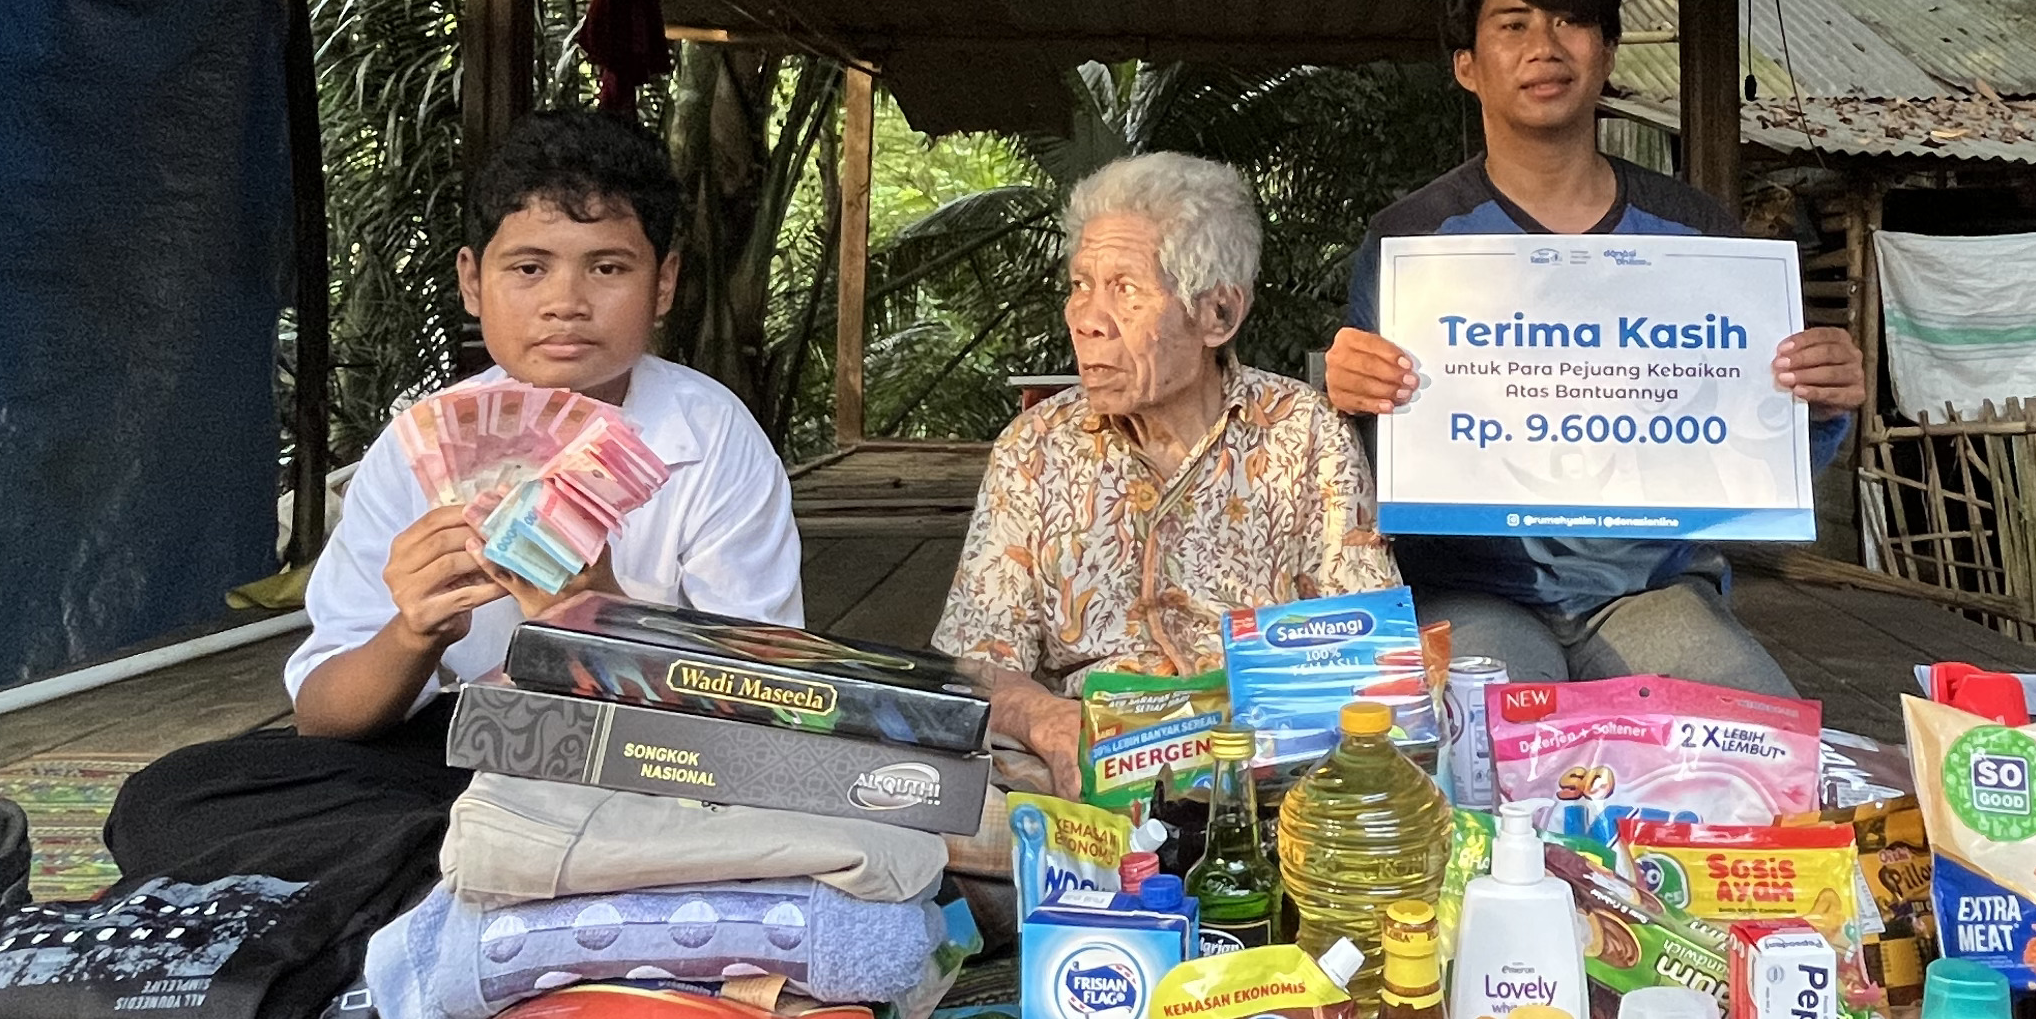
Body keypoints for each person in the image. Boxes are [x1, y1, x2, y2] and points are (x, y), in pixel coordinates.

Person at [108, 110, 802, 890]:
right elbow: (324, 718)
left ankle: (456, 878)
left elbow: (763, 716)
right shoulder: (419, 445)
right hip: (461, 753)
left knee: (780, 806)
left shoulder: (711, 439)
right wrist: (415, 631)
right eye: (529, 268)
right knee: (167, 800)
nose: (566, 302)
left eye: (608, 269)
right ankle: (503, 870)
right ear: (473, 281)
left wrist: (600, 617)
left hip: (641, 762)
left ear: (663, 283)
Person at [1325, 0, 1864, 697]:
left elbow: (1754, 455)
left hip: (1651, 589)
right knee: (1484, 731)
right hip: (1468, 591)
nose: (1544, 47)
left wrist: (1819, 404)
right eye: (1513, 24)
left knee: (1756, 728)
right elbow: (1358, 467)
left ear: (1607, 52)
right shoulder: (1411, 243)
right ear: (1467, 66)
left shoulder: (1695, 234)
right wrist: (1345, 402)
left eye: (1569, 21)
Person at [935, 152, 1399, 804]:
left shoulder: (1304, 433)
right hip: (1081, 763)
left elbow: (1367, 644)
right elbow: (978, 661)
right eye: (1080, 284)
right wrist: (1048, 722)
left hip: (1262, 762)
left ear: (1218, 314)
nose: (1087, 318)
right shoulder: (1034, 447)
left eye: (1125, 289)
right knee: (944, 804)